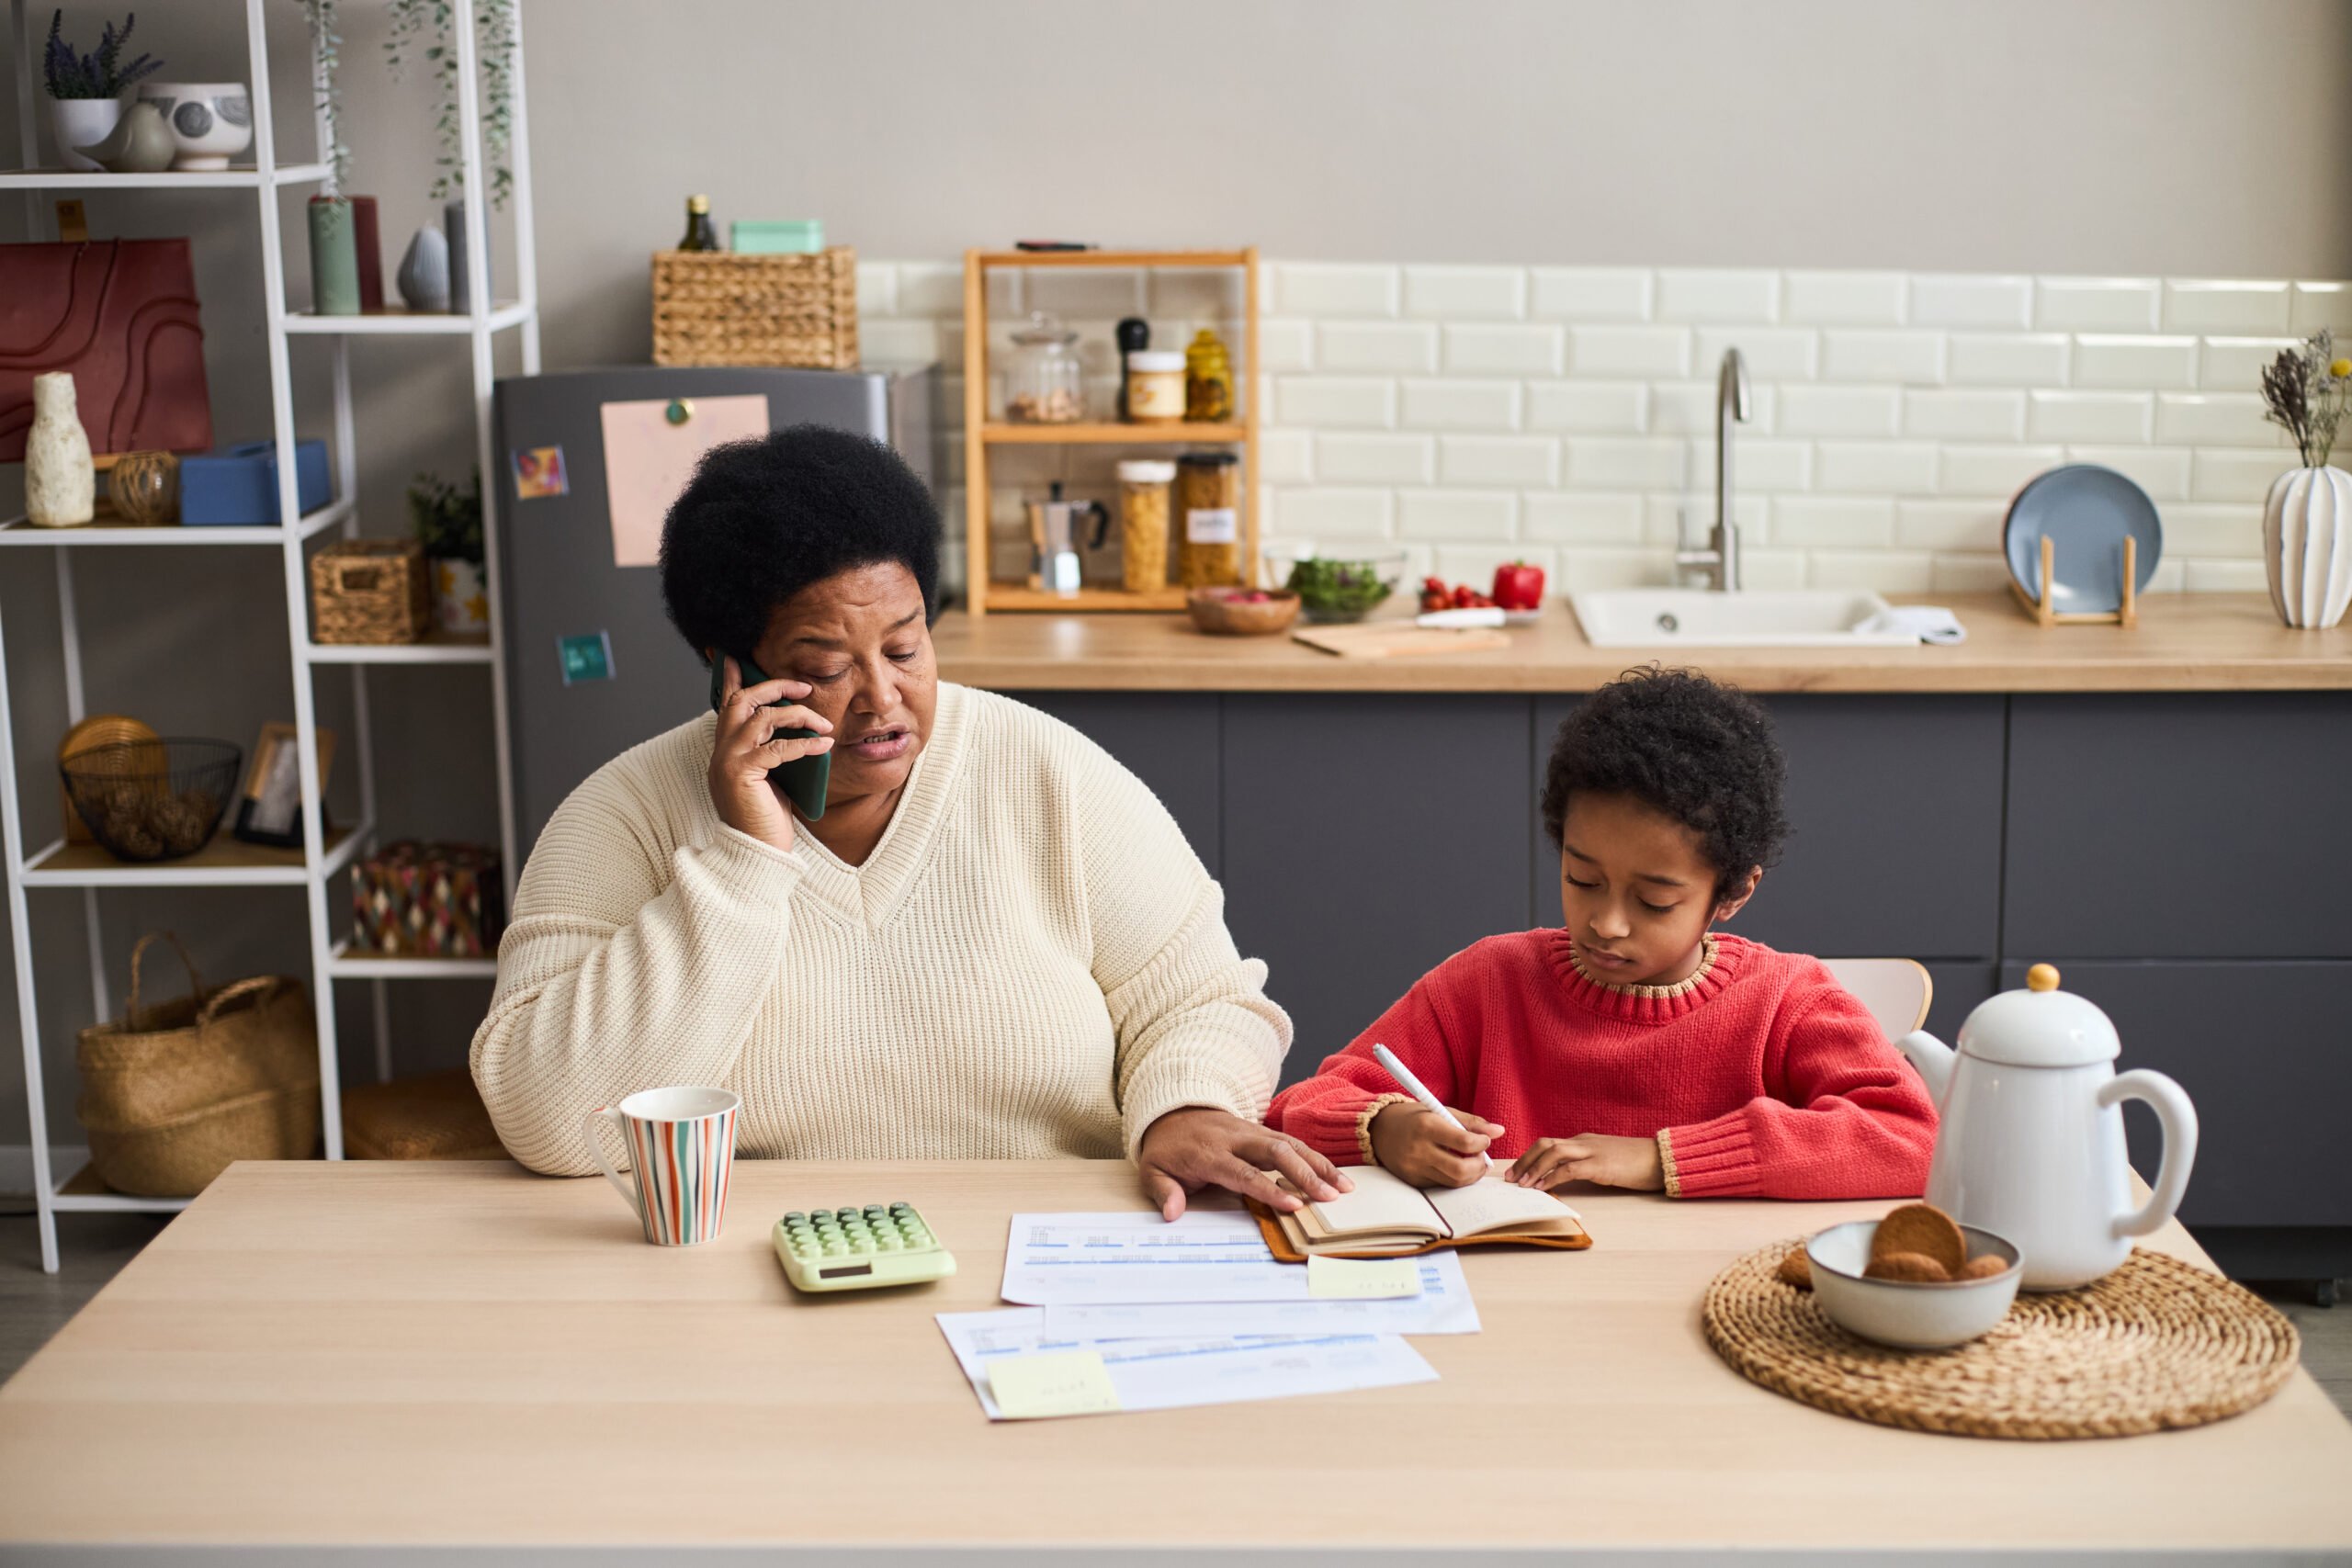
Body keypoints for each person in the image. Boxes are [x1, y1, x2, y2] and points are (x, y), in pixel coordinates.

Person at [472, 425, 1346, 1219]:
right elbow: (543, 1118)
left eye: (904, 647)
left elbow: (1205, 999)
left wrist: (1184, 1103)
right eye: (825, 667)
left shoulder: (1047, 772)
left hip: (1048, 1252)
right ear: (729, 671)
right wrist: (742, 862)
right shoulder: (623, 814)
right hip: (760, 1279)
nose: (883, 699)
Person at [1266, 667, 1937, 1199]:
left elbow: (1910, 1138)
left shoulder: (1788, 999)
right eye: (1583, 879)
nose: (1606, 923)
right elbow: (1298, 1105)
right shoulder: (1487, 981)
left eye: (1654, 900)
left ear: (1732, 893)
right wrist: (1383, 1128)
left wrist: (1660, 1158)